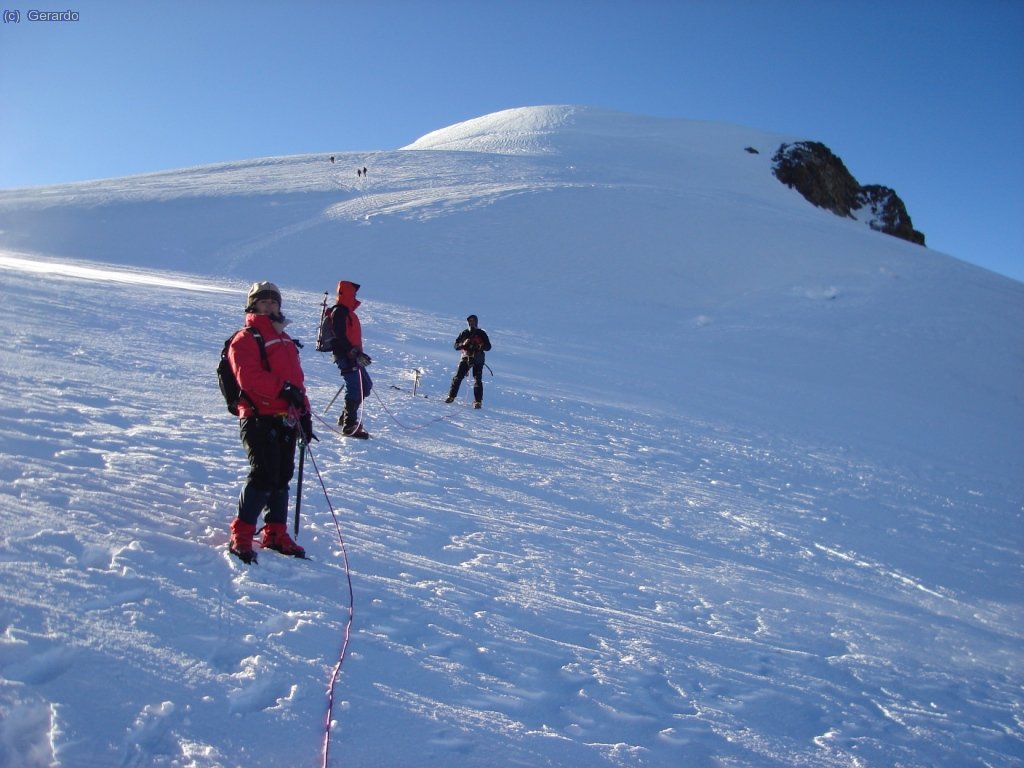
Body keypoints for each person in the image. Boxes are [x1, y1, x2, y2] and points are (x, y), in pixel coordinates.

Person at [226, 281, 313, 564]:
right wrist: (282, 389)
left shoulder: (284, 339)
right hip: (257, 417)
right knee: (263, 474)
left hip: (285, 418)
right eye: (263, 302)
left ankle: (275, 533)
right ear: (252, 306)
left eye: (273, 302)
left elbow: (297, 382)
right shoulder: (245, 338)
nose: (269, 306)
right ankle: (241, 534)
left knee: (282, 475)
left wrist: (305, 413)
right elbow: (248, 378)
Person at [329, 280, 373, 438]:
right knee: (354, 387)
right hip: (345, 356)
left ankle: (346, 417)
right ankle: (349, 425)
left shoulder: (347, 312)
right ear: (347, 294)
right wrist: (355, 353)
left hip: (352, 356)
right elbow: (340, 336)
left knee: (365, 386)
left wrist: (358, 354)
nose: (355, 297)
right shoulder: (340, 312)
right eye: (353, 294)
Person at [445, 314, 492, 408]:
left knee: (477, 379)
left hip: (478, 359)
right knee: (458, 377)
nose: (472, 323)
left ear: (476, 322)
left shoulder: (481, 333)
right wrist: (463, 344)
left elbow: (488, 347)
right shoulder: (464, 333)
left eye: (473, 321)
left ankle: (478, 402)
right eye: (470, 321)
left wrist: (479, 346)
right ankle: (451, 396)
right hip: (466, 357)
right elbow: (456, 346)